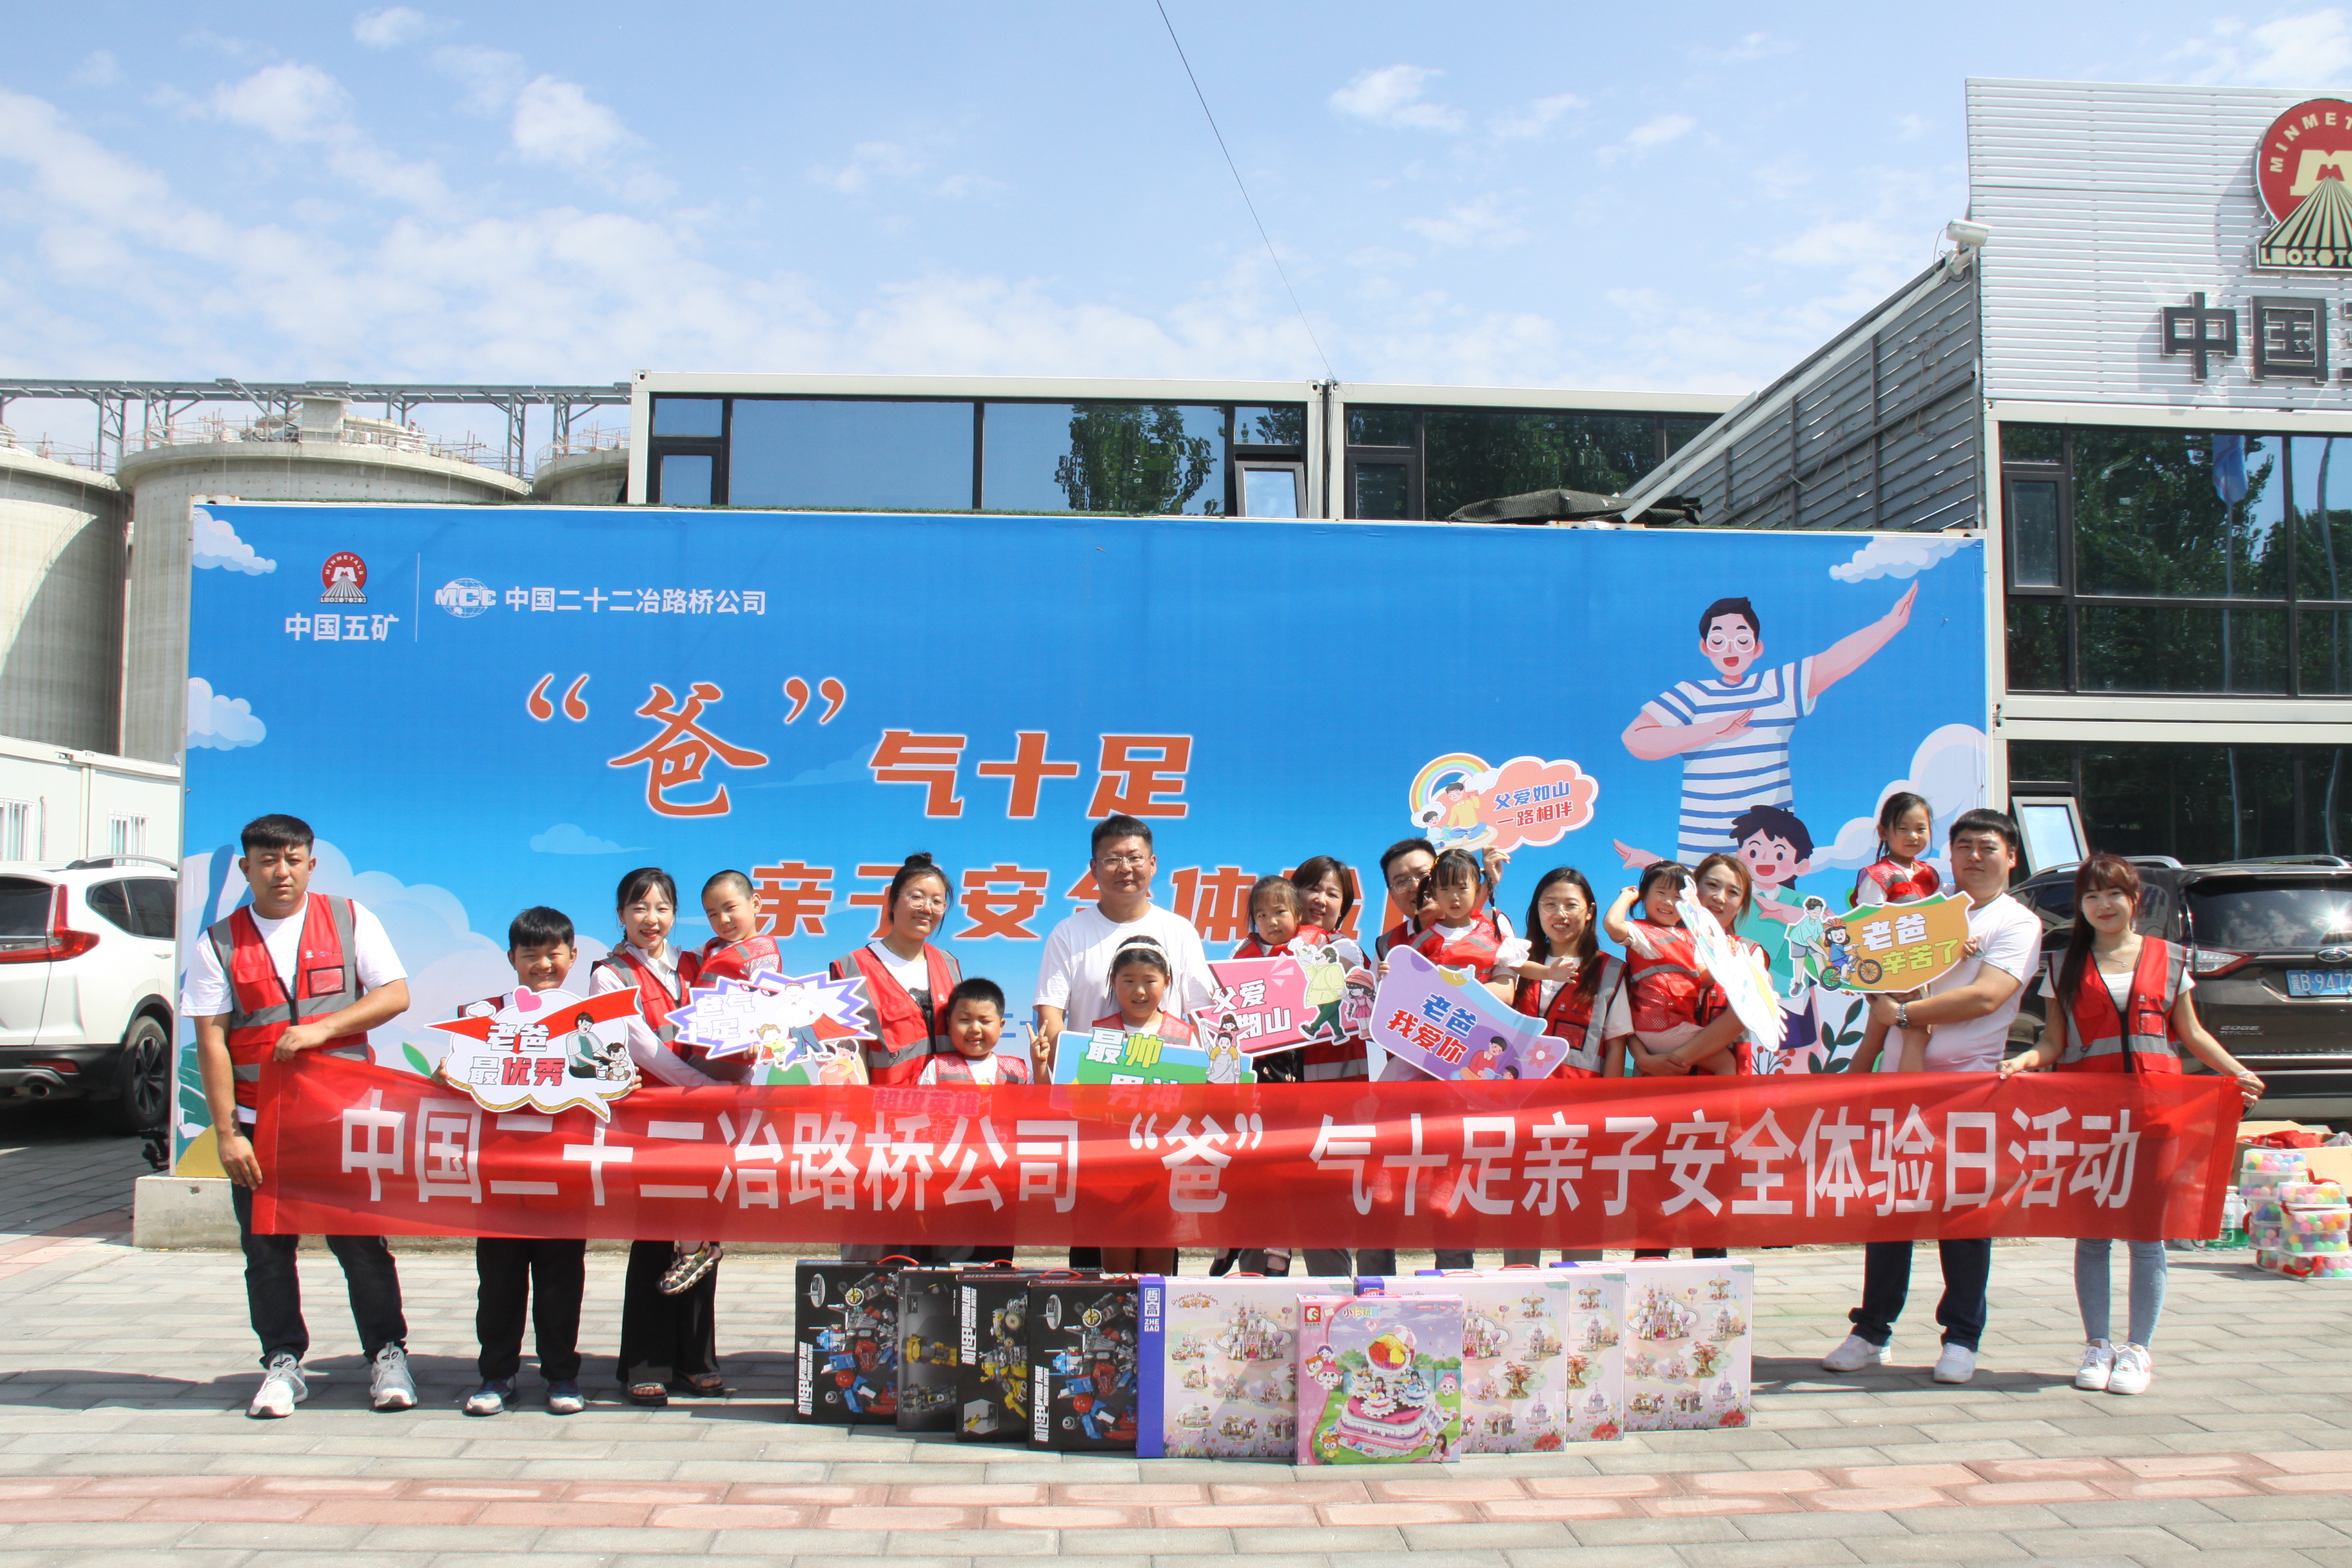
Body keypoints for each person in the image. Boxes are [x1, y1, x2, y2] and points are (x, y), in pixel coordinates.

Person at [1999, 853, 2265, 1398]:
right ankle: (2097, 1345)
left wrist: (2237, 1072)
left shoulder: (2169, 959)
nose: (2103, 905)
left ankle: (2138, 1351)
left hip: (2157, 1111)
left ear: (2134, 900)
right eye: (2092, 896)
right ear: (2081, 906)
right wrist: (2024, 1060)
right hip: (2090, 1114)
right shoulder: (2063, 966)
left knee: (2147, 1235)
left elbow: (2191, 1034)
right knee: (2093, 1233)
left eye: (2113, 894)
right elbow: (2053, 1041)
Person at [184, 813, 415, 1420]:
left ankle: (387, 1355)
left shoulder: (350, 918)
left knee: (362, 1247)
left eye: (292, 860)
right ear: (246, 868)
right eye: (267, 861)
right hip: (260, 1124)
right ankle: (283, 1363)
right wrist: (228, 1134)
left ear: (311, 864)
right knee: (266, 1251)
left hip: (340, 1120)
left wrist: (323, 1029)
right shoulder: (219, 942)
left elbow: (394, 994)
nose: (281, 872)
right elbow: (211, 1040)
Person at [1822, 808, 2043, 1386]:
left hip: (1967, 1089)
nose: (1975, 856)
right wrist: (1866, 1060)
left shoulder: (2017, 922)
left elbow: (1987, 996)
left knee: (1962, 1213)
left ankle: (1962, 1337)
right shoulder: (1923, 911)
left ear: (2011, 857)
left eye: (1987, 847)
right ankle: (1872, 1331)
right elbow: (1879, 989)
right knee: (1889, 1208)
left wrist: (1905, 1015)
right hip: (1901, 1082)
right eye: (1964, 845)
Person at [1622, 588, 1916, 862]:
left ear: (1757, 647)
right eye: (1718, 640)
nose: (1730, 649)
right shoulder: (1691, 694)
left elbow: (1834, 660)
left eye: (1742, 639)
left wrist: (1889, 624)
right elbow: (1635, 739)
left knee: (1774, 901)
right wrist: (1712, 729)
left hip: (1772, 850)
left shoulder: (1776, 687)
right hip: (1703, 850)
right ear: (1705, 647)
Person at [591, 866, 733, 1406]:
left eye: (662, 908)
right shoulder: (609, 975)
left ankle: (696, 1360)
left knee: (703, 1237)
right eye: (639, 908)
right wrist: (704, 1088)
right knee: (655, 1236)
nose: (652, 919)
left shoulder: (697, 964)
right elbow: (641, 1046)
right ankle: (645, 1363)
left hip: (705, 1117)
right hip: (650, 1118)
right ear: (621, 915)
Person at [442, 906, 591, 1417]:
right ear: (511, 958)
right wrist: (447, 1074)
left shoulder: (592, 1019)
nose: (543, 964)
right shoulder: (484, 1016)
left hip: (563, 1171)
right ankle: (496, 1375)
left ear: (573, 956)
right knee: (499, 1281)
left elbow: (609, 1076)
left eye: (554, 954)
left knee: (561, 1279)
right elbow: (458, 1075)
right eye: (531, 955)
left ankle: (562, 1375)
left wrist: (624, 1080)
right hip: (499, 1171)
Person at [1032, 815, 1210, 1079]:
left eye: (1135, 858)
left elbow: (1203, 1017)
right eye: (1113, 859)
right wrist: (1076, 1078)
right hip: (1090, 1087)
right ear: (1094, 868)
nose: (1125, 868)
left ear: (1153, 864)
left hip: (1165, 1090)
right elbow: (1051, 1015)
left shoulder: (1180, 931)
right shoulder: (1068, 933)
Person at [1092, 936, 1190, 1277]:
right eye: (1128, 981)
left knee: (1157, 1268)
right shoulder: (1100, 1035)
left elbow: (1201, 1101)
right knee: (1117, 1269)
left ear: (1167, 982)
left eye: (1150, 981)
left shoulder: (1184, 1036)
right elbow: (1078, 1102)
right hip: (1112, 1167)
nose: (1140, 991)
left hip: (1165, 1166)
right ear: (1113, 982)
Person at [829, 853, 962, 1085]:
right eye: (916, 898)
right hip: (886, 1104)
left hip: (950, 1102)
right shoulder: (852, 969)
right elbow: (852, 1054)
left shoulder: (948, 963)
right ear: (892, 902)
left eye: (937, 901)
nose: (927, 908)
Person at [1603, 863, 1714, 1077]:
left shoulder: (1690, 938)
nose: (1668, 902)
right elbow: (1612, 924)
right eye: (1661, 893)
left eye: (1678, 897)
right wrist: (1626, 897)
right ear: (1644, 896)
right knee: (1726, 1063)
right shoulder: (1642, 933)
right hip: (1662, 1027)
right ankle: (1735, 1101)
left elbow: (1704, 978)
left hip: (1675, 1025)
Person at [1391, 848, 1510, 979]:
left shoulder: (1493, 933)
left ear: (1477, 889)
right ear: (1434, 893)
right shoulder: (1424, 939)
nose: (1454, 897)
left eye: (1462, 888)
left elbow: (1515, 969)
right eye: (1445, 889)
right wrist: (1386, 973)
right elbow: (1405, 976)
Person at [1856, 791, 1939, 906]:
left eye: (1921, 829)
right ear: (1884, 833)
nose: (1913, 836)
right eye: (1903, 828)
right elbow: (1870, 915)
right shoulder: (1878, 875)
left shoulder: (1931, 874)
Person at [1370, 838, 1438, 960]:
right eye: (1401, 882)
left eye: (1423, 874)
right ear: (1391, 894)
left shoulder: (1475, 928)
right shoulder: (1387, 946)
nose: (1416, 887)